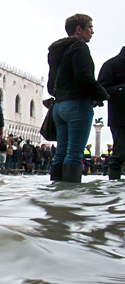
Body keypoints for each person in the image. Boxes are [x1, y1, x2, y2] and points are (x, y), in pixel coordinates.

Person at [47, 13, 108, 183]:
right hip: (77, 105)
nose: (92, 32)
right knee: (74, 153)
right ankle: (69, 199)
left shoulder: (55, 51)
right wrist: (102, 95)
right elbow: (85, 78)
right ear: (79, 29)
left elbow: (51, 84)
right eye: (90, 27)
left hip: (59, 107)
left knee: (61, 152)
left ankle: (55, 194)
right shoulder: (79, 47)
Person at [98, 47, 125, 180]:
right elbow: (102, 89)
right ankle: (114, 190)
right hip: (120, 118)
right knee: (120, 154)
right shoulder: (111, 65)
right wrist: (122, 88)